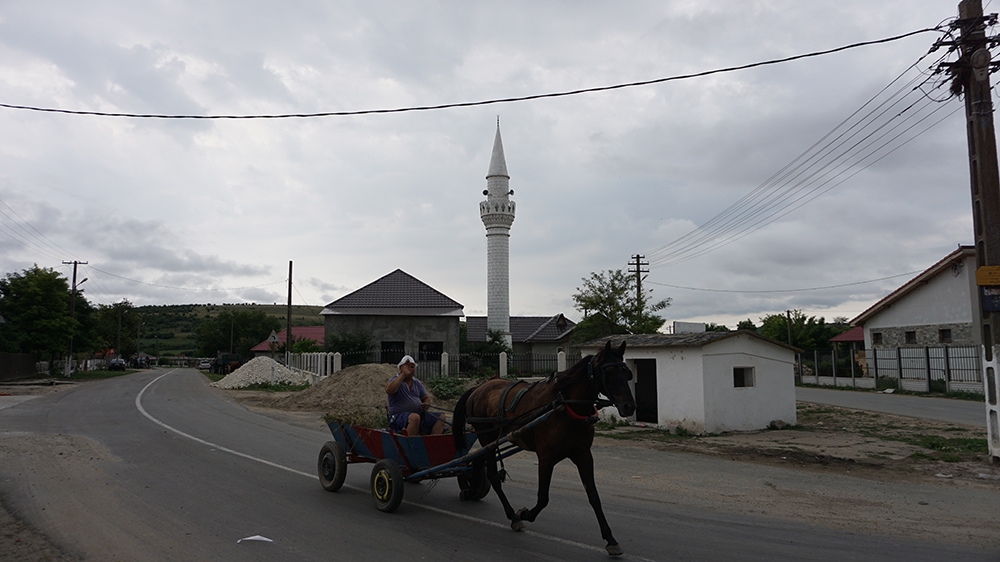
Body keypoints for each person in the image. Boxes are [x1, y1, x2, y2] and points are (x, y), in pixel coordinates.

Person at [385, 355, 445, 435]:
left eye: (412, 367)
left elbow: (425, 398)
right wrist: (403, 374)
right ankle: (410, 445)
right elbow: (389, 390)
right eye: (407, 367)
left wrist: (426, 404)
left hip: (418, 415)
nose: (410, 369)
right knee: (415, 417)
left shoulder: (417, 383)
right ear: (401, 368)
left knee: (441, 417)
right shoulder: (395, 380)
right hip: (398, 417)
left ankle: (432, 442)